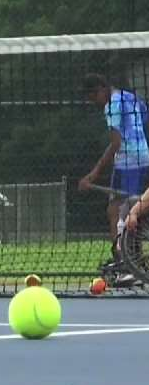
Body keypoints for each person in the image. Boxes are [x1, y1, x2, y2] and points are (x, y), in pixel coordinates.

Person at [78, 73, 149, 284]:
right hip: (143, 157)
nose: (94, 103)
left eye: (93, 97)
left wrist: (93, 173)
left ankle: (128, 265)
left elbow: (116, 143)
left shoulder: (112, 106)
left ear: (101, 89)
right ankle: (127, 259)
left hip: (128, 163)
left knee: (121, 212)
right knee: (121, 209)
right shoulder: (129, 96)